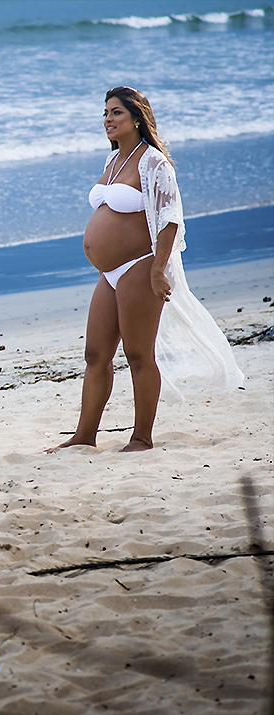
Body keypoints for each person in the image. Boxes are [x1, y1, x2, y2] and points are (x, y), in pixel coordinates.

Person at [48, 86, 244, 453]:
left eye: (116, 113)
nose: (108, 119)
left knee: (138, 355)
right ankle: (84, 436)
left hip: (140, 267)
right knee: (95, 355)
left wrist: (158, 270)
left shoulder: (153, 162)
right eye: (105, 113)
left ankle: (141, 438)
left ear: (137, 118)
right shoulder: (113, 162)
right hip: (109, 274)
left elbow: (170, 218)